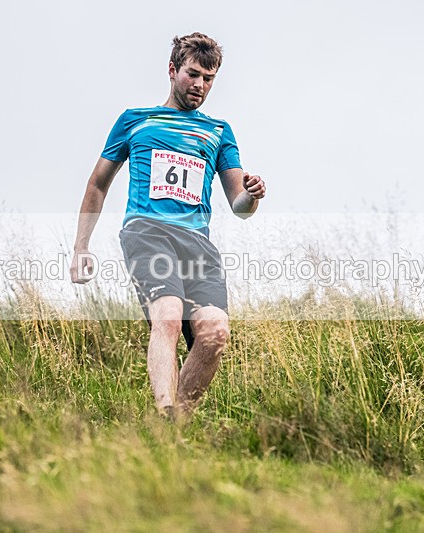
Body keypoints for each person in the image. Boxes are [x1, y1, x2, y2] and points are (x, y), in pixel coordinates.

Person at [69, 32, 266, 420]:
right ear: (173, 70)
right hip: (147, 231)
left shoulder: (219, 132)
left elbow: (239, 206)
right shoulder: (134, 121)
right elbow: (97, 183)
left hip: (198, 244)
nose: (200, 85)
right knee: (169, 315)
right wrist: (81, 247)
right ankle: (164, 410)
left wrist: (253, 195)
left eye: (209, 79)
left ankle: (176, 427)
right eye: (193, 74)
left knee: (214, 335)